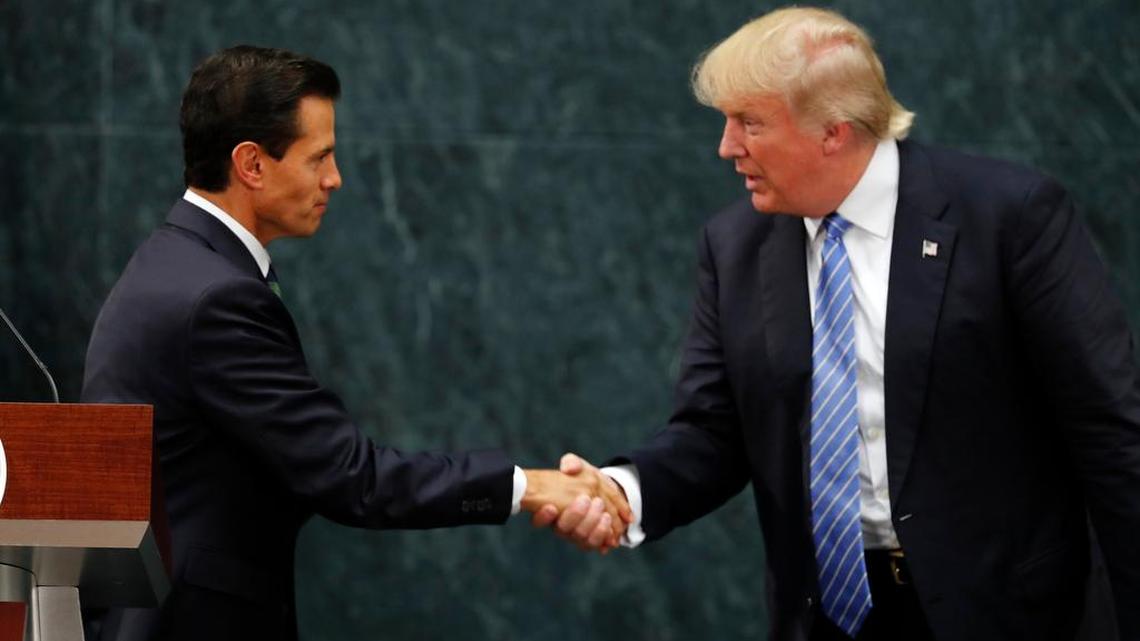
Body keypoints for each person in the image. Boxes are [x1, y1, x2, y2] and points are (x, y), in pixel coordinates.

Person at [535, 7, 1140, 641]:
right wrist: (622, 491)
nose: (726, 146)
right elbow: (715, 434)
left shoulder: (1009, 218)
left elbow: (1111, 433)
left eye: (750, 123)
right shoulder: (735, 245)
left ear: (833, 131)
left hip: (1002, 613)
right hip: (825, 617)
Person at [80, 45, 630, 641]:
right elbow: (352, 479)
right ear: (252, 164)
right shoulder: (216, 297)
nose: (334, 179)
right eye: (320, 157)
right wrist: (528, 485)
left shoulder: (178, 265)